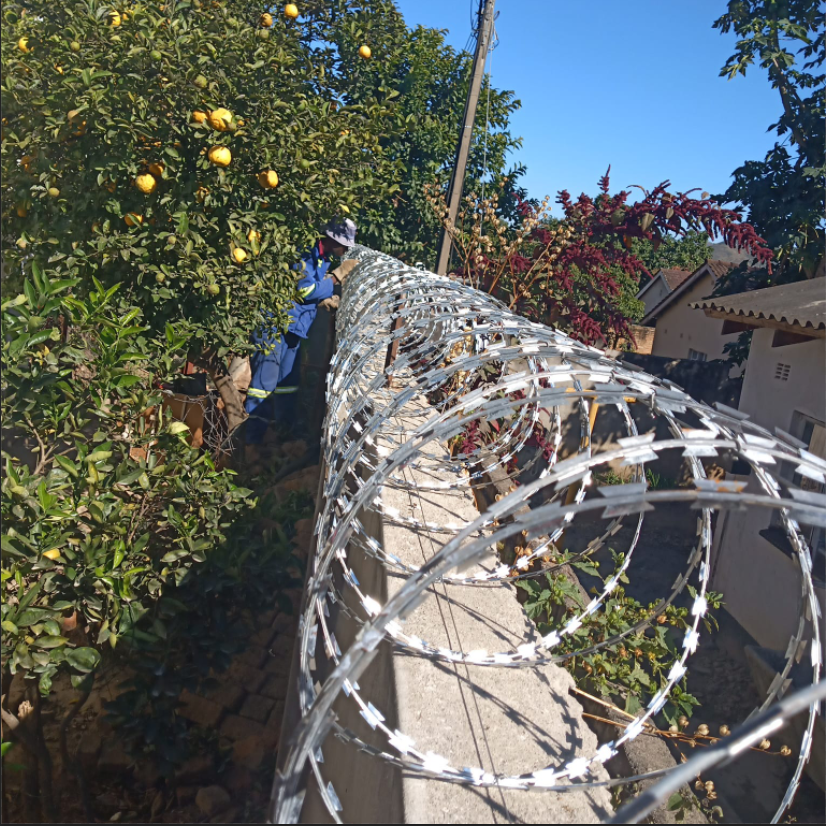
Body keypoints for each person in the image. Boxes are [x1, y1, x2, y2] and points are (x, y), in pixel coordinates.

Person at [244, 219, 357, 450]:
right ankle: (251, 441)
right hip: (274, 326)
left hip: (293, 328)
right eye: (344, 245)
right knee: (263, 385)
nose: (345, 251)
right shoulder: (305, 252)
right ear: (333, 239)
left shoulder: (321, 258)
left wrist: (321, 298)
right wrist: (336, 278)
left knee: (288, 383)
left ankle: (281, 432)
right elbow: (304, 289)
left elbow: (308, 291)